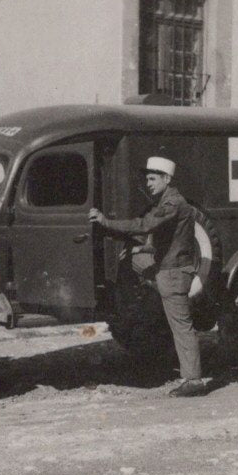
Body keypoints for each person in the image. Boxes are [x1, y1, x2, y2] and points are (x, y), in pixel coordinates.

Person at [88, 156, 209, 398]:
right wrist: (141, 250)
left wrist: (105, 222)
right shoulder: (166, 201)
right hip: (166, 269)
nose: (148, 183)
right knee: (132, 259)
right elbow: (170, 242)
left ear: (166, 179)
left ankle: (194, 380)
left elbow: (144, 225)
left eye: (153, 178)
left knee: (182, 327)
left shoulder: (173, 204)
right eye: (147, 179)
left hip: (173, 274)